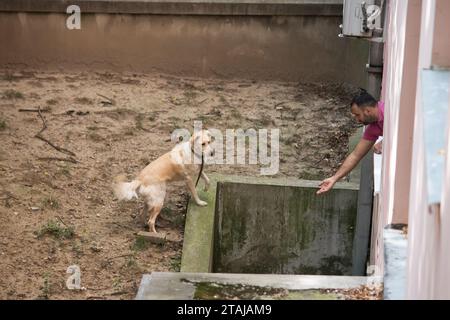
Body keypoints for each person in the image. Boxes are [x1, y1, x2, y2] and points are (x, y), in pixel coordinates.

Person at [317, 91, 384, 195]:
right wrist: (334, 178)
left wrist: (384, 142)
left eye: (358, 115)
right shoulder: (373, 128)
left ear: (367, 110)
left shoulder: (390, 110)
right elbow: (355, 155)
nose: (357, 120)